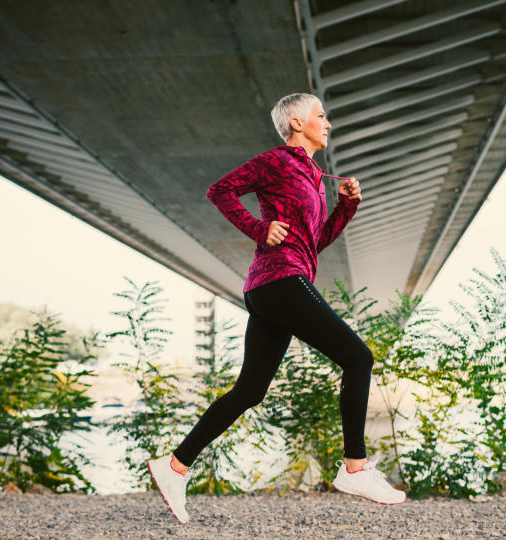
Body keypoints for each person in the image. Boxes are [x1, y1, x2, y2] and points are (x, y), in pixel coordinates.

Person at [146, 92, 406, 524]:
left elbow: (314, 242)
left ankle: (173, 467)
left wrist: (347, 205)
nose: (328, 123)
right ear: (298, 121)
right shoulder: (277, 161)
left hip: (277, 285)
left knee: (250, 390)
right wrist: (258, 227)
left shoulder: (313, 175)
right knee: (359, 358)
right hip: (280, 281)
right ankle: (355, 468)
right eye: (321, 116)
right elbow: (220, 190)